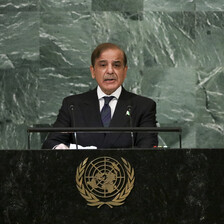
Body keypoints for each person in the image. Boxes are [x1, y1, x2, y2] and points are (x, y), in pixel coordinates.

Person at [42, 43, 158, 149]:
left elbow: (147, 149)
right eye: (103, 65)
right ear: (93, 71)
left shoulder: (143, 106)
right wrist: (61, 148)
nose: (110, 71)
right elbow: (51, 143)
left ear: (125, 71)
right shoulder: (73, 105)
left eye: (116, 65)